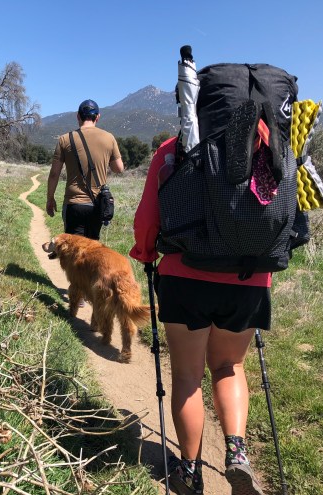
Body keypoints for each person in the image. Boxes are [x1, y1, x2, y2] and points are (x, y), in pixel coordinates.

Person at [130, 136, 267, 495]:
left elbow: (147, 219)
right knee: (229, 366)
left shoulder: (174, 147)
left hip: (184, 274)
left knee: (188, 376)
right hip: (249, 278)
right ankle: (236, 453)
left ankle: (189, 471)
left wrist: (145, 253)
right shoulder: (265, 142)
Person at [46, 99, 124, 240]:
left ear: (78, 116)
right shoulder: (109, 138)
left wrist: (50, 198)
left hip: (73, 203)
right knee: (92, 249)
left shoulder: (65, 139)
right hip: (97, 204)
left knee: (72, 249)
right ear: (97, 117)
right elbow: (119, 168)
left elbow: (54, 174)